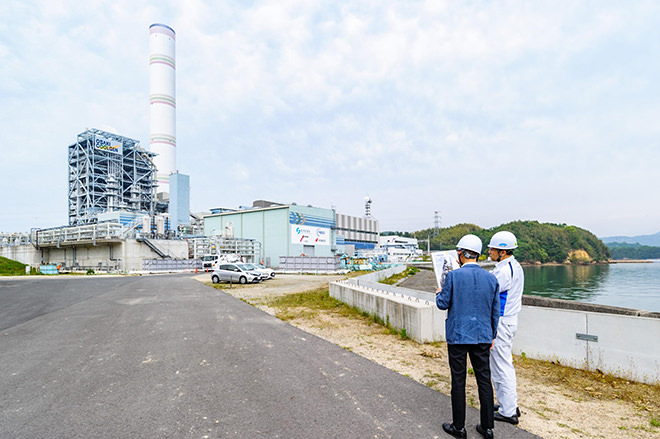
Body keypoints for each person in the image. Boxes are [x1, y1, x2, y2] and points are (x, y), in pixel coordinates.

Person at [436, 234, 500, 439]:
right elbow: (495, 311)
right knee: (484, 380)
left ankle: (459, 427)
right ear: (478, 255)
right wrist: (492, 335)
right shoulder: (491, 278)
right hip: (482, 335)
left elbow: (442, 304)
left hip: (458, 335)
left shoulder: (453, 277)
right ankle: (487, 428)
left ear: (461, 254)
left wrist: (439, 292)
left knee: (458, 380)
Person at [487, 231, 525, 425]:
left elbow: (489, 291)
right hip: (508, 320)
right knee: (500, 364)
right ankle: (507, 403)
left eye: (492, 249)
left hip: (502, 321)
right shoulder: (513, 266)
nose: (489, 252)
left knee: (502, 366)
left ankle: (509, 411)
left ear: (502, 251)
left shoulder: (503, 271)